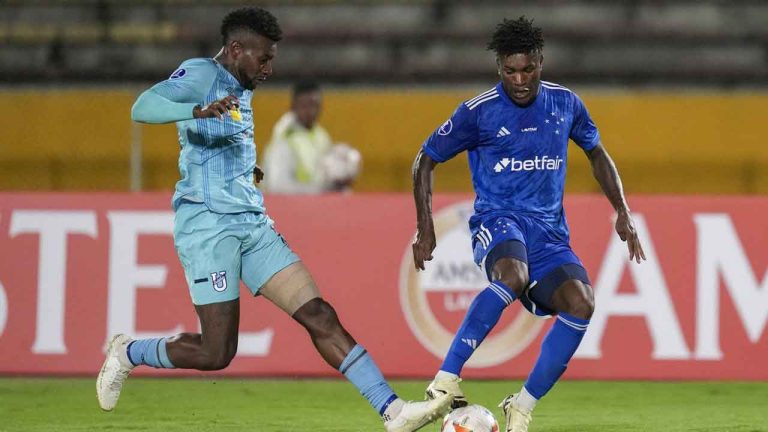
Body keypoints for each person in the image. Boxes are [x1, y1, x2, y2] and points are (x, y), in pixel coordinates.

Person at [96, 7, 450, 431]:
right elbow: (142, 105)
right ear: (235, 49)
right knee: (216, 352)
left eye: (272, 58)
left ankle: (393, 412)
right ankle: (128, 351)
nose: (269, 68)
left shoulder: (241, 86)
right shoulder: (200, 74)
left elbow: (225, 144)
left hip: (251, 221)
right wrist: (196, 111)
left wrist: (246, 171)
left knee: (319, 314)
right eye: (263, 58)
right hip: (209, 225)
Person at [412, 17, 646, 432]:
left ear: (540, 61)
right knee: (513, 275)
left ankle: (521, 405)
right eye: (510, 71)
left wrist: (622, 210)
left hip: (550, 232)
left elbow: (597, 154)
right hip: (498, 220)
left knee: (582, 303)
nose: (519, 80)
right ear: (498, 68)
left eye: (528, 69)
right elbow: (425, 159)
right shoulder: (477, 112)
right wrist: (425, 227)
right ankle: (445, 380)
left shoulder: (566, 103)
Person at [263, 81, 360, 193]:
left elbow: (324, 174)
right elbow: (277, 187)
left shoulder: (321, 136)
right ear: (293, 107)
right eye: (305, 106)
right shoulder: (284, 138)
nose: (311, 111)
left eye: (315, 105)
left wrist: (338, 180)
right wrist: (321, 191)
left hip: (313, 205)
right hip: (287, 207)